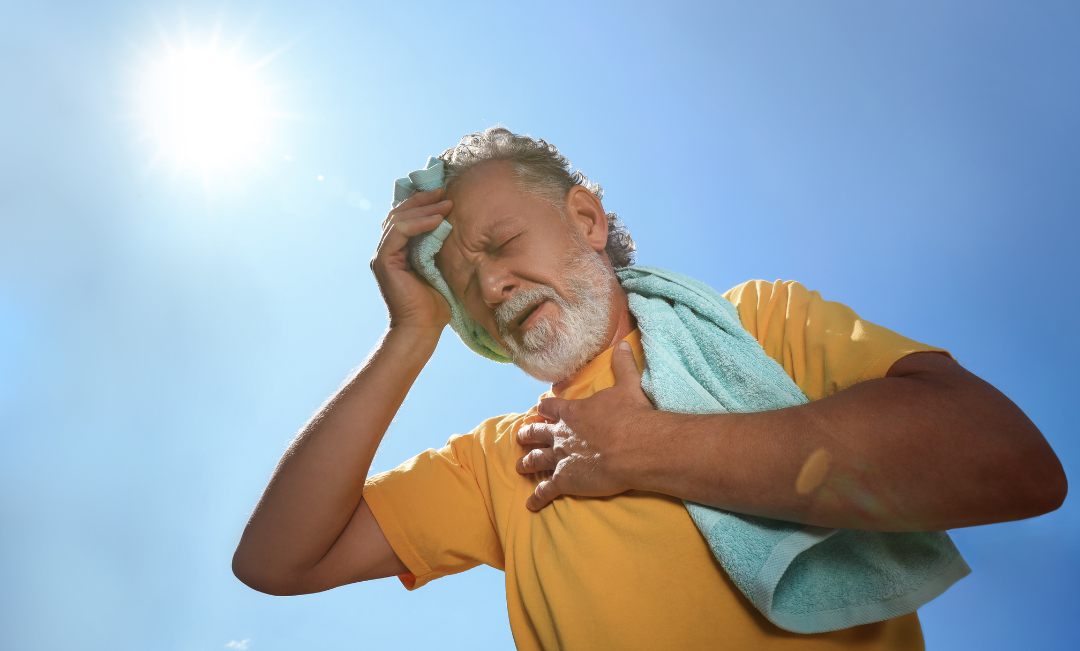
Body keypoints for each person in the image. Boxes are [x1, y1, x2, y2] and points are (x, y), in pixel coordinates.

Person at [232, 127, 1067, 650]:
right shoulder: (502, 463)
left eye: (502, 240)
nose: (489, 285)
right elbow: (277, 560)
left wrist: (650, 448)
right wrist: (409, 333)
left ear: (587, 221)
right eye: (462, 283)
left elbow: (1013, 463)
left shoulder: (762, 326)